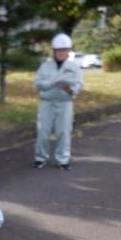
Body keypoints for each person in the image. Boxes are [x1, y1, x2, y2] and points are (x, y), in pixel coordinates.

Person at [33, 33, 84, 170]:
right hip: (46, 102)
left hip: (64, 103)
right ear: (54, 51)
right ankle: (40, 157)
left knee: (64, 132)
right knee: (43, 131)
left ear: (68, 51)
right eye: (58, 50)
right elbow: (36, 84)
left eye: (64, 50)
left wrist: (70, 89)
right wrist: (49, 83)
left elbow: (79, 84)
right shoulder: (45, 66)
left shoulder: (73, 67)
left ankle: (63, 159)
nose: (61, 53)